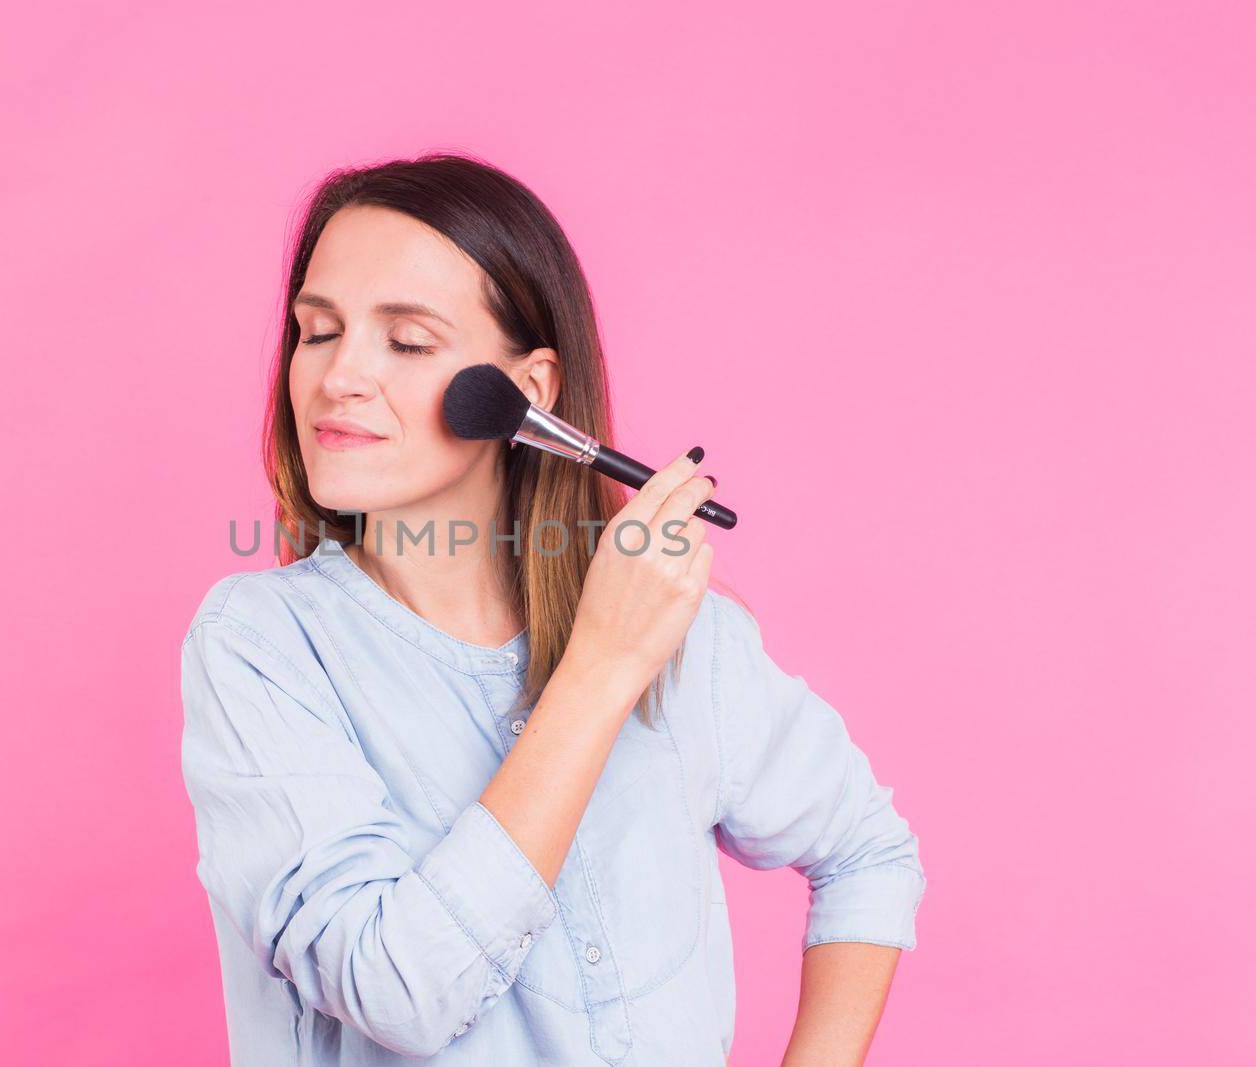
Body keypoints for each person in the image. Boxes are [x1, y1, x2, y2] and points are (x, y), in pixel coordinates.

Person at [179, 153, 925, 1065]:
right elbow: (398, 992)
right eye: (317, 331)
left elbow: (868, 851)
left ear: (528, 393)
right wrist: (600, 670)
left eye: (406, 341)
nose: (339, 377)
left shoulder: (685, 637)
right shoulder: (262, 646)